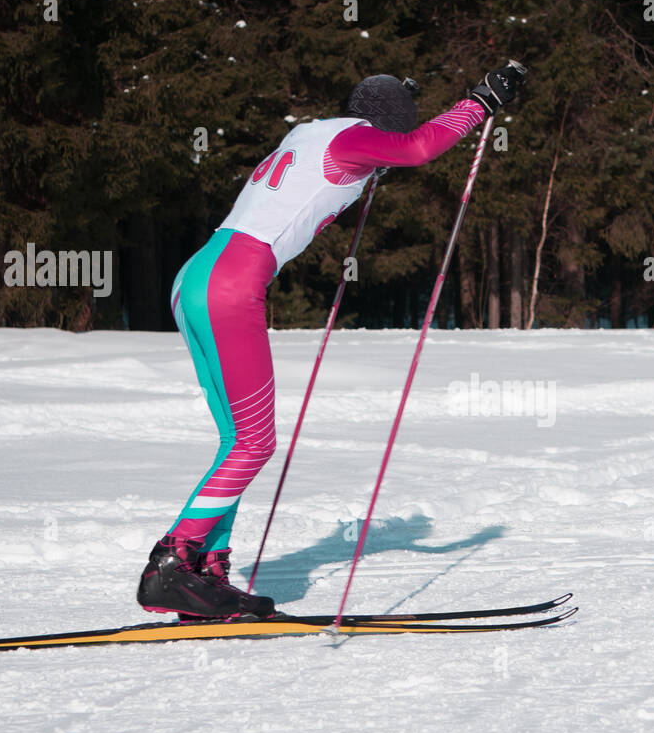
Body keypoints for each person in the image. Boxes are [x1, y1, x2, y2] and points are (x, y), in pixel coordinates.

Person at [137, 62, 527, 619]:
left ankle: (205, 571)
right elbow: (416, 149)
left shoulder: (312, 132)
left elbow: (361, 148)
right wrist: (478, 105)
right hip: (231, 280)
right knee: (254, 442)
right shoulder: (351, 140)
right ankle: (172, 562)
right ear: (379, 126)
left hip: (196, 276)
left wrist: (386, 113)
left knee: (237, 441)